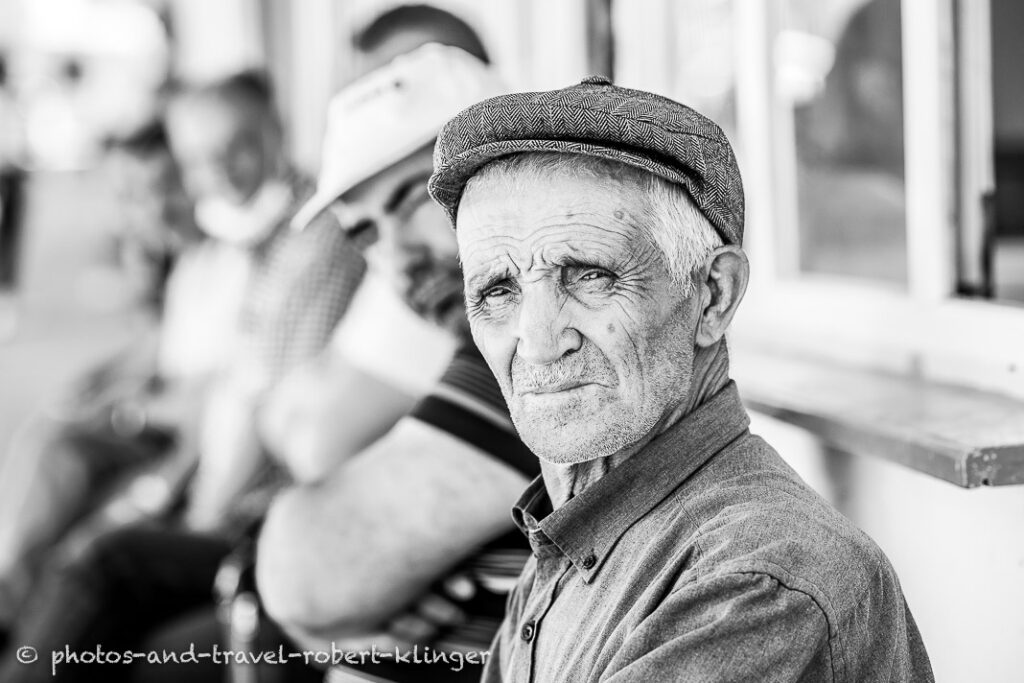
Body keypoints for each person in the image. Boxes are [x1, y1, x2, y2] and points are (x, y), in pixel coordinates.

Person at [427, 77, 935, 681]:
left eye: (588, 276)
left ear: (713, 295)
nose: (538, 343)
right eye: (497, 291)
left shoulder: (755, 582)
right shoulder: (577, 533)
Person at [254, 44, 537, 683]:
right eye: (365, 234)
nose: (399, 258)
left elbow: (307, 580)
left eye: (415, 200)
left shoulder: (541, 349)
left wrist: (336, 614)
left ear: (514, 168)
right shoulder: (490, 345)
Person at [0, 121, 202, 627]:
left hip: (173, 439)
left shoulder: (216, 257)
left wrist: (123, 410)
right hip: (160, 421)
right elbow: (160, 345)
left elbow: (211, 394)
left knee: (61, 460)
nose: (145, 208)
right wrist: (96, 382)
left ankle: (14, 605)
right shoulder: (181, 260)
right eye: (129, 195)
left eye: (158, 189)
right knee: (49, 436)